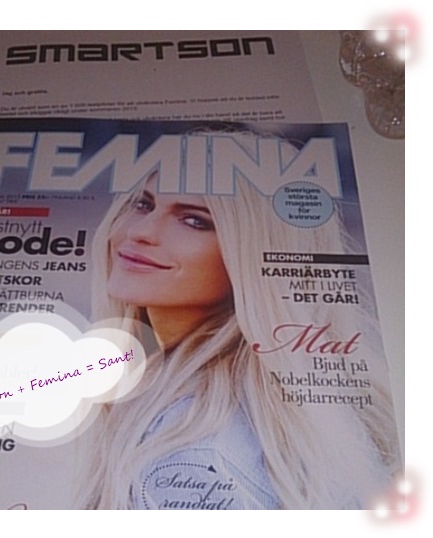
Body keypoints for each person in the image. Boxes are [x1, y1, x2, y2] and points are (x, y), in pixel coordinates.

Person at [69, 132, 401, 510]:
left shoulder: (193, 450)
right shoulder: (175, 388)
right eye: (143, 204)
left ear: (255, 253)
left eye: (194, 221)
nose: (139, 232)